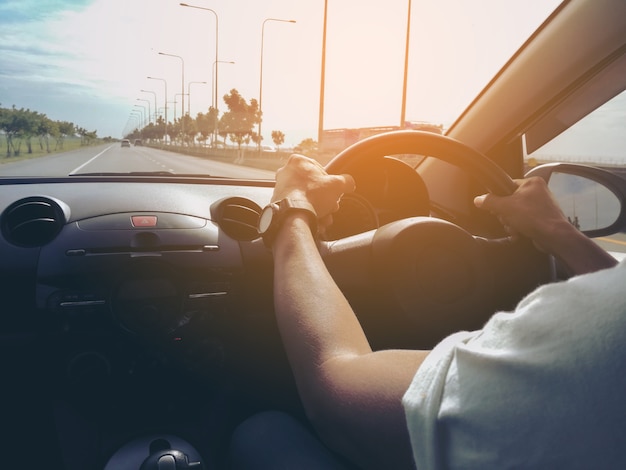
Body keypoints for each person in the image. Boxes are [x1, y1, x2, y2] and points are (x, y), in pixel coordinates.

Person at [231, 154, 625, 469]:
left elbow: (333, 391)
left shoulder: (593, 352)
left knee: (262, 431)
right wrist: (560, 234)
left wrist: (291, 214)